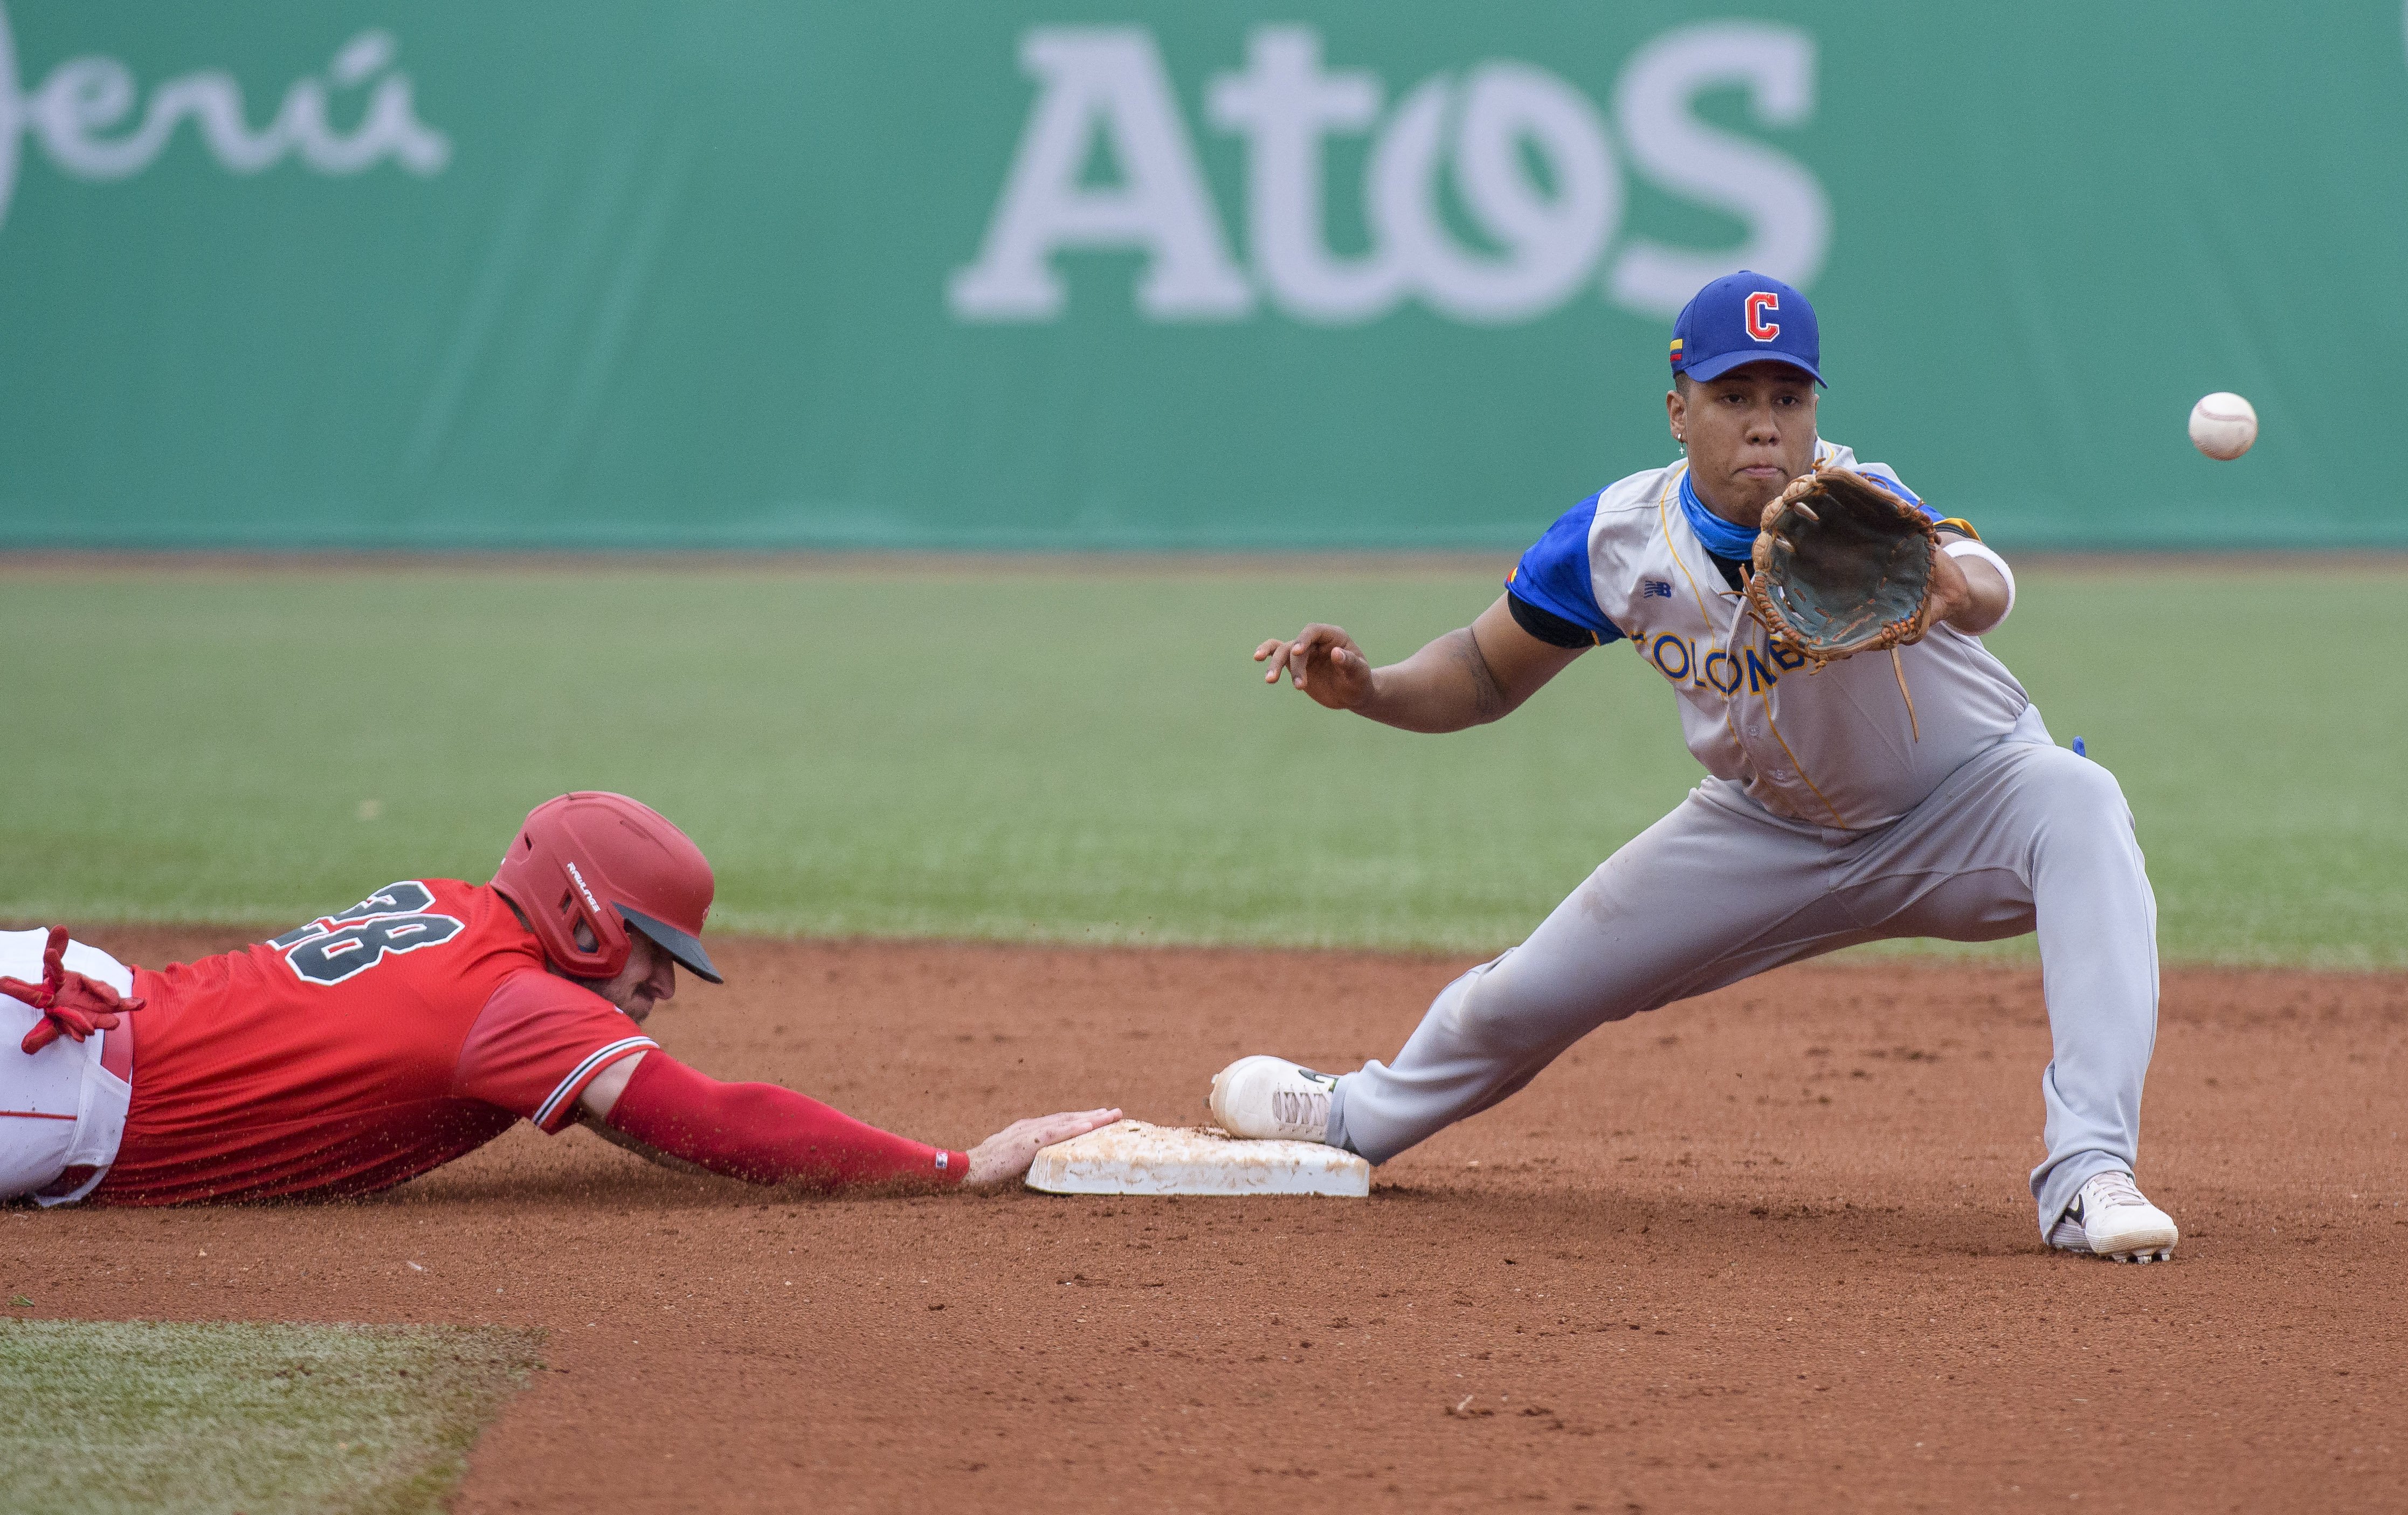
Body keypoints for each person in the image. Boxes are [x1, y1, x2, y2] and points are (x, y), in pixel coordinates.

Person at [1212, 271, 2177, 1263]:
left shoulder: (1862, 503)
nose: (1766, 426)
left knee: (2082, 803)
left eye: (1788, 399)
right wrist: (1371, 689)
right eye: (1734, 398)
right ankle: (1350, 1118)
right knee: (1527, 990)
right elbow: (1481, 671)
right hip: (1765, 831)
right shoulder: (1617, 540)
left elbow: (1986, 584)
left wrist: (1950, 588)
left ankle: (2088, 1173)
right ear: (1679, 413)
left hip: (1967, 805)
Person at [0, 791, 1117, 1207]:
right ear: (582, 917)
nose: (662, 983)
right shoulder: (516, 1006)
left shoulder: (449, 906)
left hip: (70, 1010)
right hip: (52, 1072)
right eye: (651, 947)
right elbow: (713, 1120)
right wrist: (959, 1163)